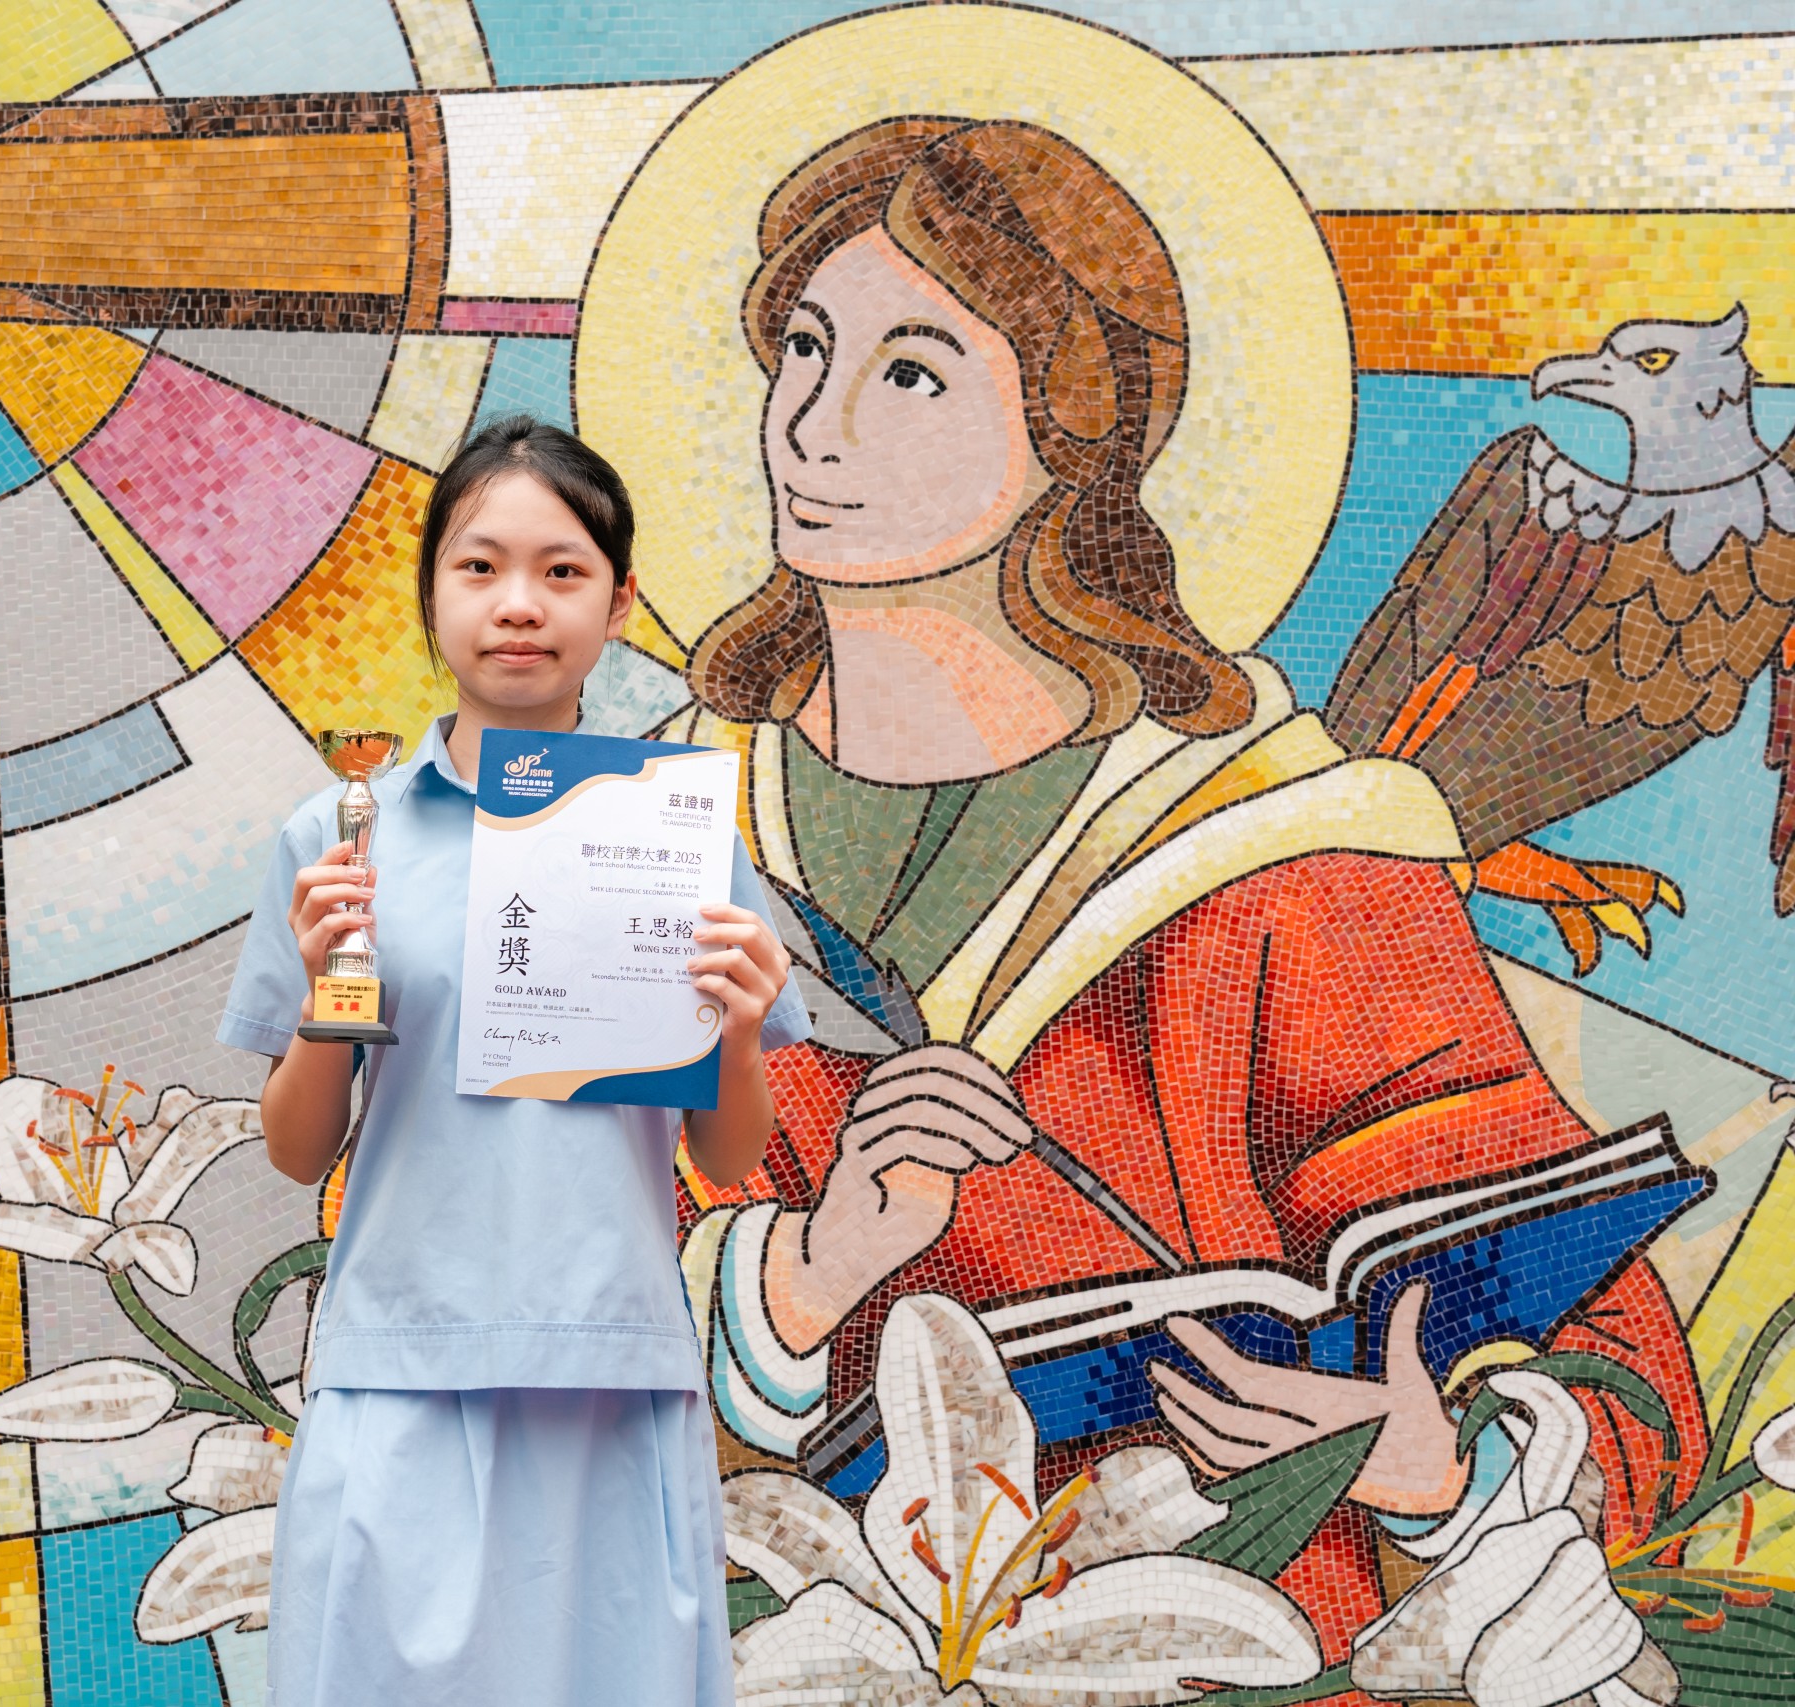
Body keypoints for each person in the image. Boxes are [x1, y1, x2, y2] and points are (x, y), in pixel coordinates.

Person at [665, 118, 1708, 1651]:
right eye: (803, 353)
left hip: (1264, 1649)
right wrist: (804, 1281)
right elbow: (484, 1309)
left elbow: (1615, 1372)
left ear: (1069, 436)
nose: (815, 428)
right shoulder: (641, 839)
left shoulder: (1296, 862)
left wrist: (1422, 1468)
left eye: (912, 375)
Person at [216, 416, 813, 1707]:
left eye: (562, 571)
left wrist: (741, 1027)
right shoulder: (340, 837)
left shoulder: (677, 840)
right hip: (399, 1365)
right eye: (479, 567)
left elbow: (726, 1157)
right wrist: (325, 993)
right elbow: (298, 1151)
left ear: (619, 602)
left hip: (611, 1370)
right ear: (432, 594)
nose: (520, 605)